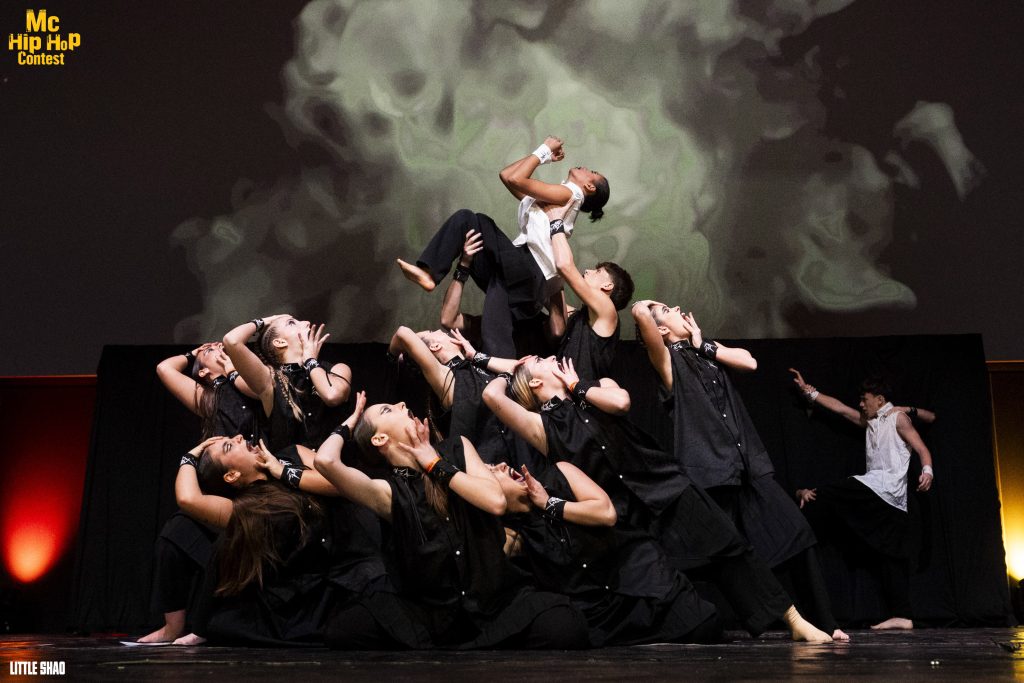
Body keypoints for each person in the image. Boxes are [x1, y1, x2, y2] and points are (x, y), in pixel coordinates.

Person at [482, 355, 832, 642]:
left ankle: (793, 620)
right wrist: (510, 366)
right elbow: (492, 395)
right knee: (656, 583)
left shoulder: (599, 387)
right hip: (625, 516)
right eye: (540, 361)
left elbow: (621, 403)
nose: (550, 358)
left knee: (729, 545)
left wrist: (576, 387)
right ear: (535, 383)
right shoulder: (542, 427)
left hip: (662, 484)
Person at [633, 301, 846, 640]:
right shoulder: (667, 361)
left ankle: (826, 622)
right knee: (721, 556)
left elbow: (750, 361)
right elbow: (640, 314)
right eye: (667, 309)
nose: (676, 307)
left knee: (796, 533)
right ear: (660, 329)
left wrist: (703, 344)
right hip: (710, 472)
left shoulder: (706, 351)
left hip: (746, 465)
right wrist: (645, 305)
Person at [312, 399, 590, 649]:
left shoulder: (457, 448)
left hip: (494, 604)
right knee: (342, 630)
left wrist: (433, 463)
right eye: (388, 410)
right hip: (432, 616)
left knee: (567, 626)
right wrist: (352, 421)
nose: (401, 404)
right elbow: (325, 461)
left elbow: (495, 501)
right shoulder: (388, 492)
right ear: (380, 438)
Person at [170, 414, 386, 647]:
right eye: (229, 446)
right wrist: (189, 456)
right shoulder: (247, 509)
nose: (239, 437)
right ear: (232, 475)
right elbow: (188, 498)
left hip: (359, 554)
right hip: (317, 594)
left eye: (232, 438)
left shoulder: (292, 454)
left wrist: (282, 471)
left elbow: (340, 484)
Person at [396, 136, 609, 357]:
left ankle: (430, 273)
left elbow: (517, 178)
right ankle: (429, 274)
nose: (586, 167)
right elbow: (507, 176)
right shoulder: (553, 199)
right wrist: (543, 158)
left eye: (592, 172)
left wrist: (545, 149)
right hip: (519, 277)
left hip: (529, 270)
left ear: (589, 186)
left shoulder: (570, 194)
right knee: (494, 333)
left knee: (474, 220)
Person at [492, 459, 721, 646]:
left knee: (705, 625)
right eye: (492, 472)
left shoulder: (559, 474)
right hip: (599, 616)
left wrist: (549, 503)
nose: (501, 465)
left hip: (636, 579)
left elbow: (606, 513)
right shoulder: (512, 536)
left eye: (494, 464)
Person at [789, 369, 936, 630]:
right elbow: (840, 409)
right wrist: (809, 392)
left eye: (864, 399)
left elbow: (922, 446)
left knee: (843, 493)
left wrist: (927, 471)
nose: (860, 404)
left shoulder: (898, 417)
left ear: (879, 399)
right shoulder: (870, 421)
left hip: (887, 491)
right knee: (890, 556)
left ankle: (809, 500)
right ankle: (902, 614)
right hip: (888, 499)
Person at [138, 343, 264, 644]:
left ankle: (205, 626)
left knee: (225, 544)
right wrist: (194, 354)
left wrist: (230, 363)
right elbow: (164, 368)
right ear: (204, 373)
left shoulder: (252, 383)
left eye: (220, 345)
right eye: (210, 349)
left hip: (256, 490)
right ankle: (173, 625)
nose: (217, 346)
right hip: (222, 491)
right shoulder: (207, 398)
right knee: (174, 533)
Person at [223, 315, 352, 451]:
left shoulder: (336, 369)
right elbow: (232, 340)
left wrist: (310, 361)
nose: (306, 321)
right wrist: (266, 321)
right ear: (280, 342)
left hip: (341, 462)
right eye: (291, 323)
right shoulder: (271, 380)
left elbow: (332, 396)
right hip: (293, 463)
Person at [548, 228, 633, 379]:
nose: (588, 270)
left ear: (608, 286)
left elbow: (564, 265)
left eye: (598, 271)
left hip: (582, 392)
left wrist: (556, 225)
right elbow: (552, 302)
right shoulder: (579, 317)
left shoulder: (608, 310)